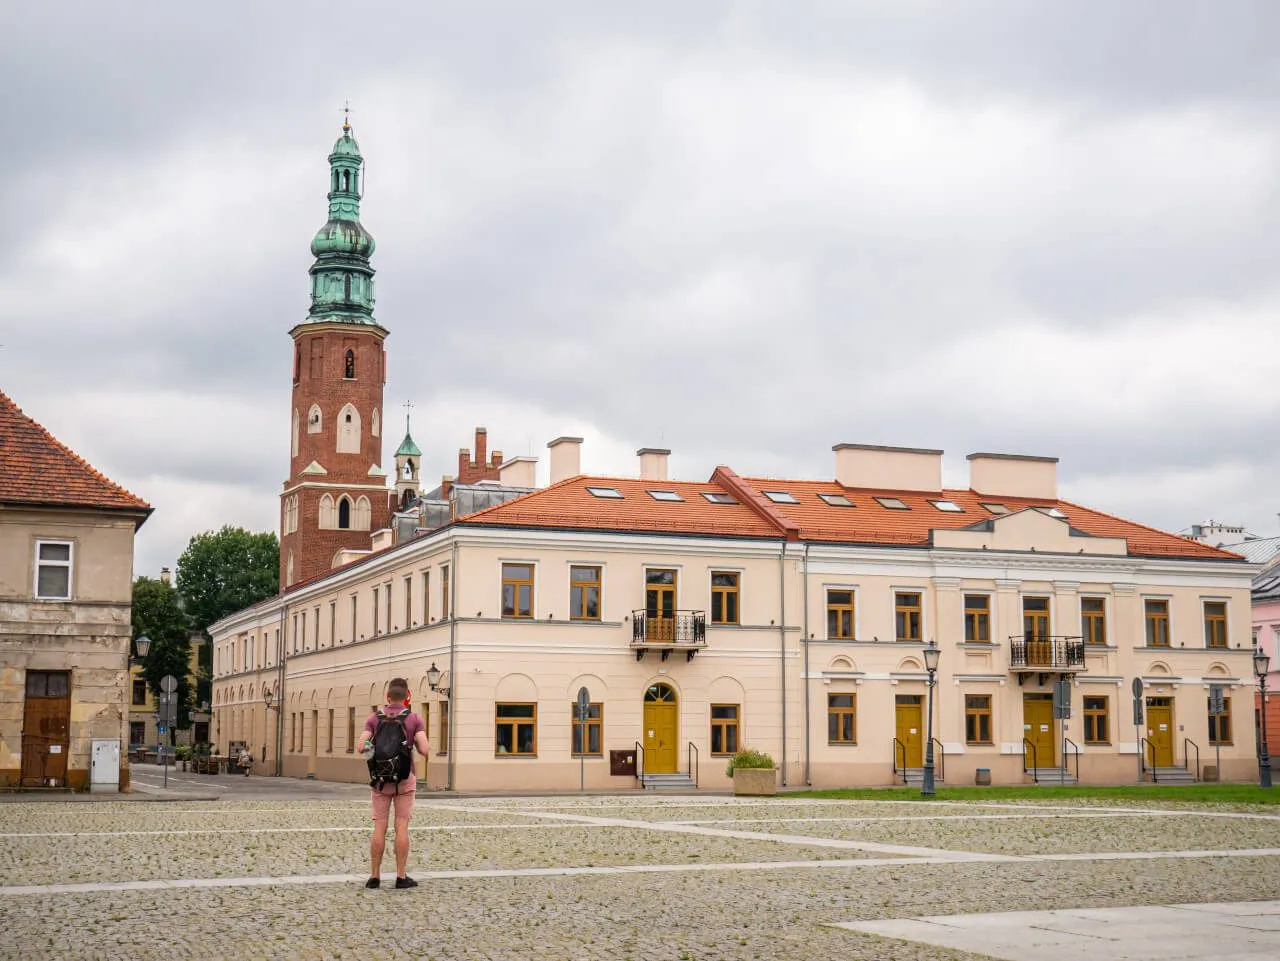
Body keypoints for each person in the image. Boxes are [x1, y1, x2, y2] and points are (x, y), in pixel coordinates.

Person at [356, 677, 430, 889]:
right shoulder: (414, 718)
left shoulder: (374, 718)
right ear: (407, 697)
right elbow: (425, 750)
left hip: (380, 780)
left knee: (379, 826)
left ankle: (375, 876)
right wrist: (412, 741)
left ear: (387, 697)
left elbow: (361, 746)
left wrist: (375, 749)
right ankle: (400, 876)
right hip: (405, 780)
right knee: (401, 826)